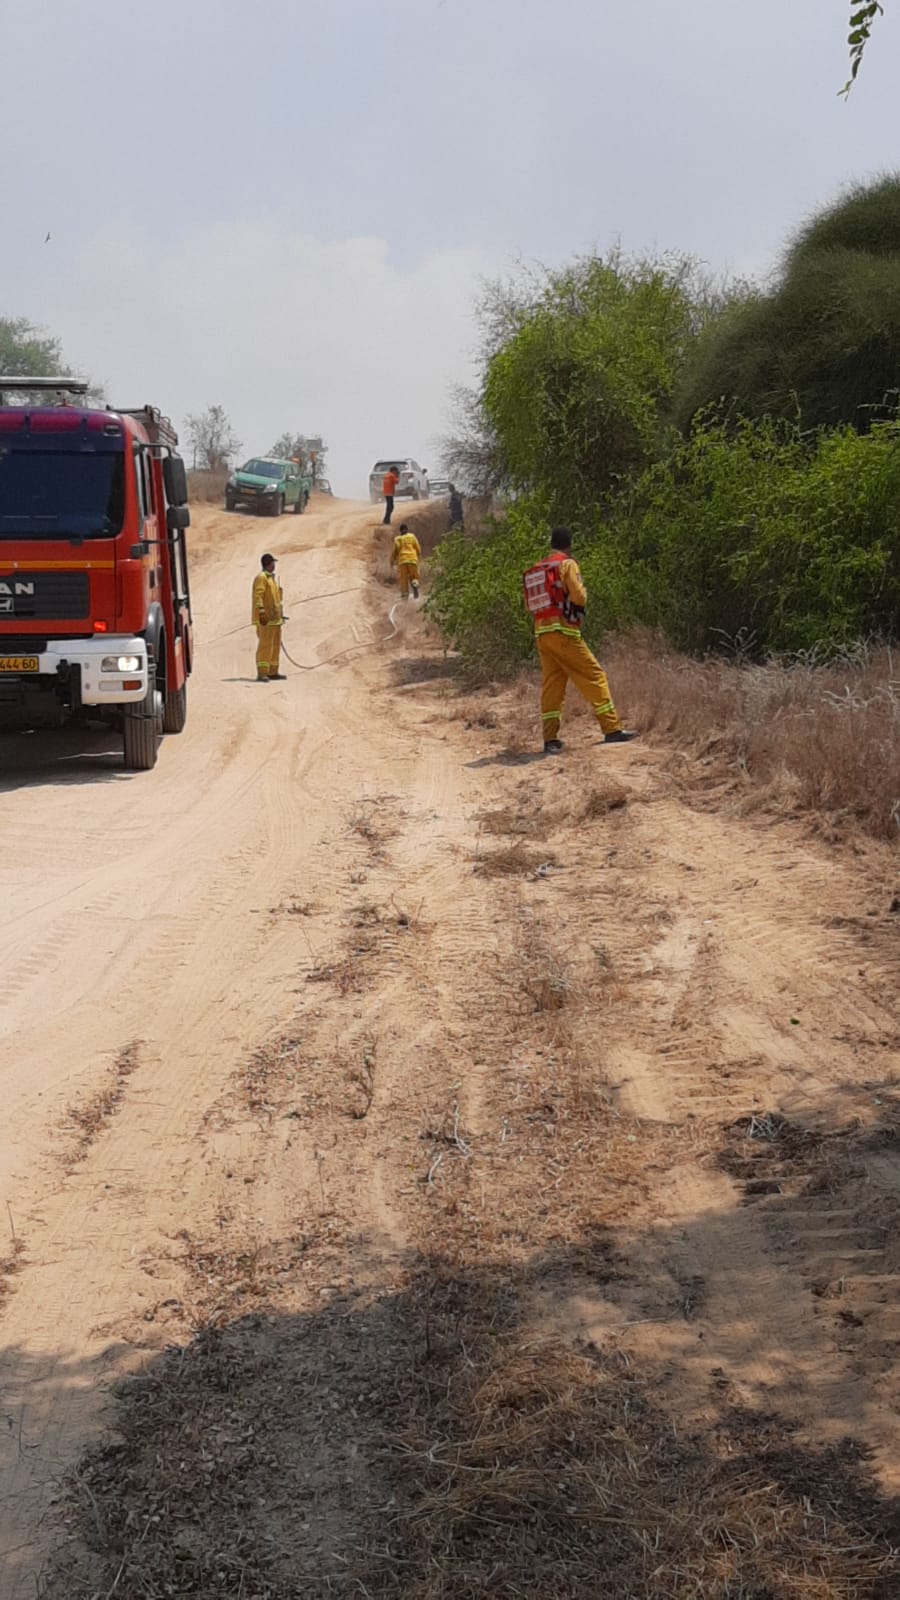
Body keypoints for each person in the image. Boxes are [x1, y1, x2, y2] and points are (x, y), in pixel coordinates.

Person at [523, 527, 637, 754]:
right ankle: (611, 728)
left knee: (553, 685)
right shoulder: (567, 565)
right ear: (569, 545)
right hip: (564, 633)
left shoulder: (539, 568)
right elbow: (579, 596)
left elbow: (529, 606)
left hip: (542, 634)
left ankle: (550, 739)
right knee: (594, 675)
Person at [252, 553, 286, 682]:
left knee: (275, 645)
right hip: (266, 620)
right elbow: (258, 595)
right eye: (273, 563)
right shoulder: (262, 578)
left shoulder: (271, 578)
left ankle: (273, 671)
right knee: (265, 646)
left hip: (275, 619)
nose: (274, 565)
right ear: (268, 564)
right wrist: (261, 611)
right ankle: (262, 673)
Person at [390, 522, 421, 599]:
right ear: (407, 530)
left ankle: (405, 596)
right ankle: (414, 583)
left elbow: (394, 552)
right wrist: (417, 556)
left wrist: (391, 561)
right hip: (412, 560)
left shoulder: (397, 539)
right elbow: (418, 549)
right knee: (414, 576)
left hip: (402, 562)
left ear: (400, 531)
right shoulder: (412, 537)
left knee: (403, 580)